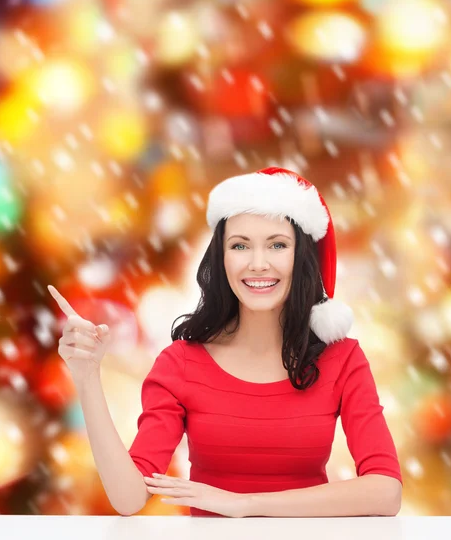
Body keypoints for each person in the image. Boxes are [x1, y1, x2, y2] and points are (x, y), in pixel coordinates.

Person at [48, 166, 403, 518]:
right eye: (240, 245)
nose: (258, 263)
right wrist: (87, 377)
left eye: (277, 245)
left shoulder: (342, 360)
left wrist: (245, 505)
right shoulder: (180, 364)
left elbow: (385, 491)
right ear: (221, 258)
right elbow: (129, 499)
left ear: (302, 257)